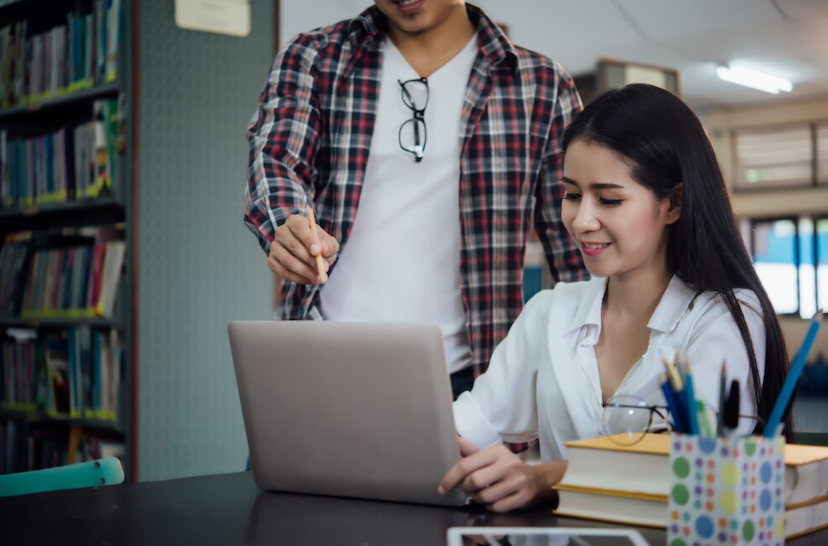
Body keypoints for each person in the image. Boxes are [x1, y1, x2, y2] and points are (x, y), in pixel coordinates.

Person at [437, 83, 793, 512]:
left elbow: (701, 464)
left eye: (608, 199)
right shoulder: (550, 312)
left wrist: (548, 478)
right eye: (572, 195)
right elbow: (461, 429)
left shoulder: (725, 316)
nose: (581, 220)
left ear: (674, 203)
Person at [244, 0, 587, 398]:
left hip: (473, 379)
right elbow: (276, 160)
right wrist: (286, 224)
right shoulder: (314, 57)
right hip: (317, 355)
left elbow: (576, 247)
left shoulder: (542, 85)